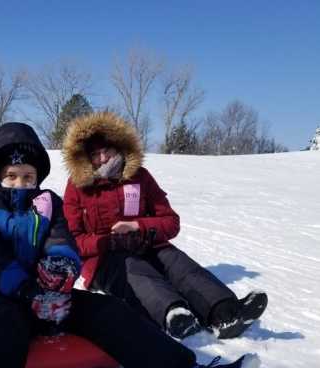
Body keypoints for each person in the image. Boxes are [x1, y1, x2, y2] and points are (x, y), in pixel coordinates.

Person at [0, 121, 261, 368]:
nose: (21, 183)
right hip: (0, 291)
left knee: (108, 310)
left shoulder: (48, 202)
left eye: (28, 176)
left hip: (45, 292)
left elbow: (62, 243)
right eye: (12, 175)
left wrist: (61, 271)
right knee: (5, 326)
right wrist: (27, 290)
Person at [62, 112, 268, 340]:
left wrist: (137, 226)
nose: (102, 158)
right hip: (104, 260)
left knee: (178, 264)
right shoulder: (77, 187)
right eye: (95, 154)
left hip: (146, 243)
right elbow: (72, 241)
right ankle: (174, 315)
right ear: (84, 158)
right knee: (135, 271)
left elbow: (171, 222)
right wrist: (109, 241)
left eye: (107, 151)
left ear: (119, 147)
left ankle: (225, 312)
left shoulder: (140, 177)